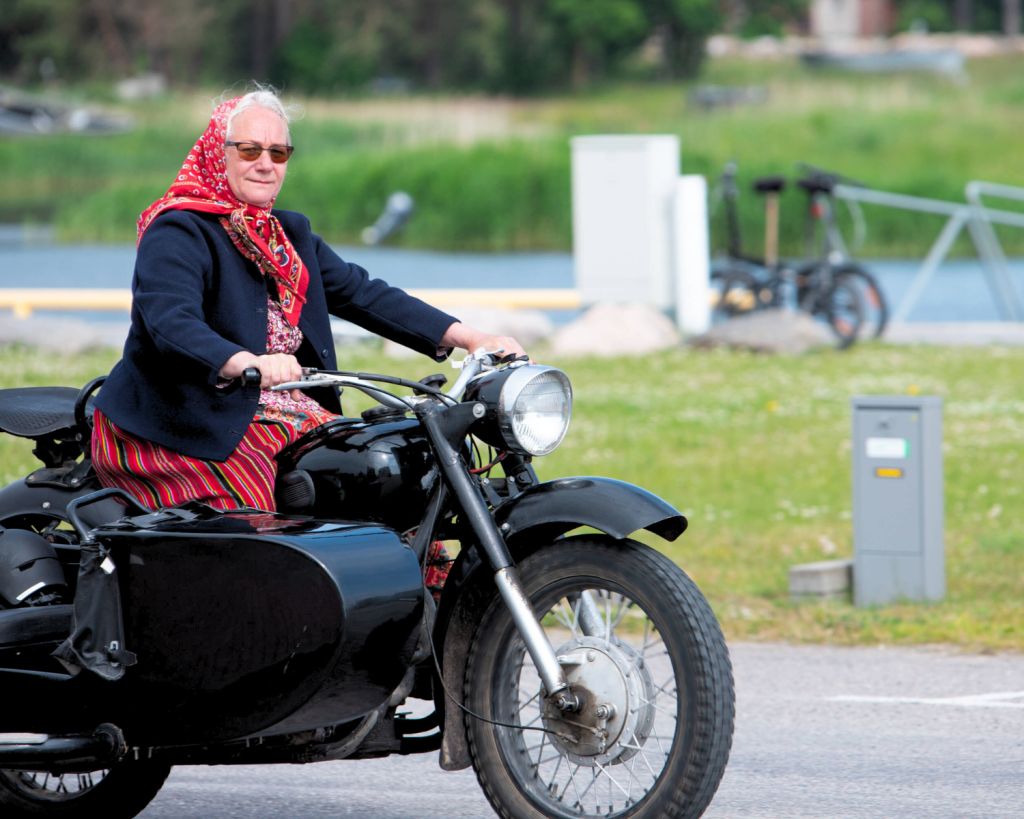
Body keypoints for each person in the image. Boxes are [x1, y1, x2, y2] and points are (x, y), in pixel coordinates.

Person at [92, 87, 526, 516]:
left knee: (381, 472)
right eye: (249, 150)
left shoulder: (288, 235)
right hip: (179, 418)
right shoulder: (178, 230)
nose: (265, 164)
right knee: (256, 522)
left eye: (278, 153)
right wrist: (245, 361)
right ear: (215, 153)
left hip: (281, 408)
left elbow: (364, 294)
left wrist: (471, 338)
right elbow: (170, 321)